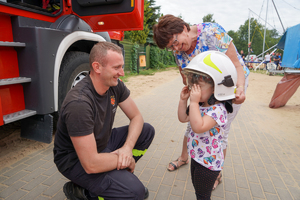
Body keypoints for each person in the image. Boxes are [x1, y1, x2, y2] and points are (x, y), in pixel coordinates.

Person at [153, 14, 250, 190]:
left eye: (175, 41)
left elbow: (236, 65)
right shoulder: (178, 52)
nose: (176, 48)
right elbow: (185, 78)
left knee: (221, 131)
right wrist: (189, 93)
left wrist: (240, 88)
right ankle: (184, 158)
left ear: (183, 28)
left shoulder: (211, 32)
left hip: (230, 84)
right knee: (192, 124)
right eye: (170, 47)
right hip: (204, 91)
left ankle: (216, 171)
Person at [53, 41, 155, 200]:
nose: (122, 73)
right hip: (76, 160)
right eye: (116, 68)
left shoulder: (115, 85)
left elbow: (137, 117)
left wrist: (127, 150)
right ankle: (84, 193)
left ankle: (116, 174)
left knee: (146, 131)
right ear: (97, 67)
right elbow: (91, 163)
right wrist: (126, 161)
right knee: (136, 193)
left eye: (122, 66)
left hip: (101, 144)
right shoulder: (79, 104)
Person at [178, 51, 238, 199]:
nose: (193, 89)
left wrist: (192, 102)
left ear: (217, 88)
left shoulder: (218, 110)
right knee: (198, 192)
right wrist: (183, 100)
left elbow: (198, 127)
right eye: (192, 84)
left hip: (208, 165)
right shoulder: (199, 104)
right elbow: (183, 118)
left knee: (203, 196)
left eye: (199, 86)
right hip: (197, 158)